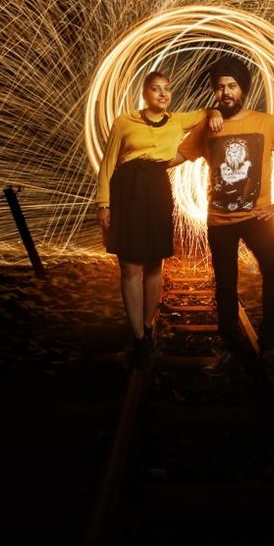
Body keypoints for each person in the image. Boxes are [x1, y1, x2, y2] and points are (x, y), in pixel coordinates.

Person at [171, 56, 274, 378]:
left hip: (258, 218)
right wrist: (140, 152)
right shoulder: (208, 126)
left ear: (242, 89)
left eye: (232, 86)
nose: (226, 92)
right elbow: (177, 155)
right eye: (220, 87)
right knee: (225, 285)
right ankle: (232, 348)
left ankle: (273, 346)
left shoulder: (266, 122)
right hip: (220, 221)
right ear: (215, 92)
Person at [95, 71, 223, 368]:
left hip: (157, 189)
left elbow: (206, 113)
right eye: (156, 89)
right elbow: (107, 164)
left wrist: (215, 112)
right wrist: (104, 203)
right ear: (145, 93)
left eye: (167, 89)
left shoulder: (177, 120)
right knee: (129, 265)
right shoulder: (125, 122)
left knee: (155, 263)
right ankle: (138, 338)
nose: (163, 94)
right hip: (126, 190)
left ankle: (148, 326)